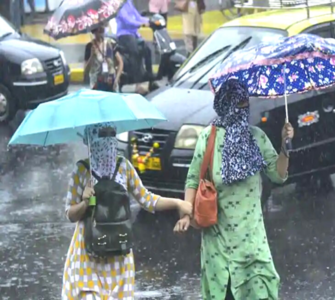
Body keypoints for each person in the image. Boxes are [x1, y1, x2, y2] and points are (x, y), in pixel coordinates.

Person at [174, 79, 294, 300]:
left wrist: (285, 147)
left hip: (252, 247)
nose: (243, 109)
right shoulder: (208, 138)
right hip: (218, 251)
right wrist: (186, 213)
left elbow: (278, 175)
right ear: (226, 104)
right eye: (238, 104)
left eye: (245, 104)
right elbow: (193, 179)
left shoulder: (256, 138)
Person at [62, 122, 193, 299]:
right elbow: (70, 214)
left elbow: (147, 199)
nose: (106, 141)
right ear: (90, 139)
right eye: (101, 135)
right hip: (88, 253)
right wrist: (85, 202)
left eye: (110, 134)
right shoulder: (81, 170)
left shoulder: (123, 167)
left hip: (118, 252)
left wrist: (177, 203)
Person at [116, 0, 156, 89]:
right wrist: (141, 24)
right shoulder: (118, 5)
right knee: (135, 52)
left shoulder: (129, 2)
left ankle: (150, 78)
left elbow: (137, 16)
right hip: (124, 34)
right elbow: (127, 20)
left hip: (134, 34)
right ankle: (137, 80)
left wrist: (150, 21)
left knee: (147, 50)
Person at [84, 25, 123, 92]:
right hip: (96, 84)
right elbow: (86, 69)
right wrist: (91, 56)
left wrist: (116, 79)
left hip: (111, 82)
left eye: (102, 29)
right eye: (98, 30)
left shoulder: (110, 44)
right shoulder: (90, 46)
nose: (100, 31)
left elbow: (120, 62)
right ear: (94, 31)